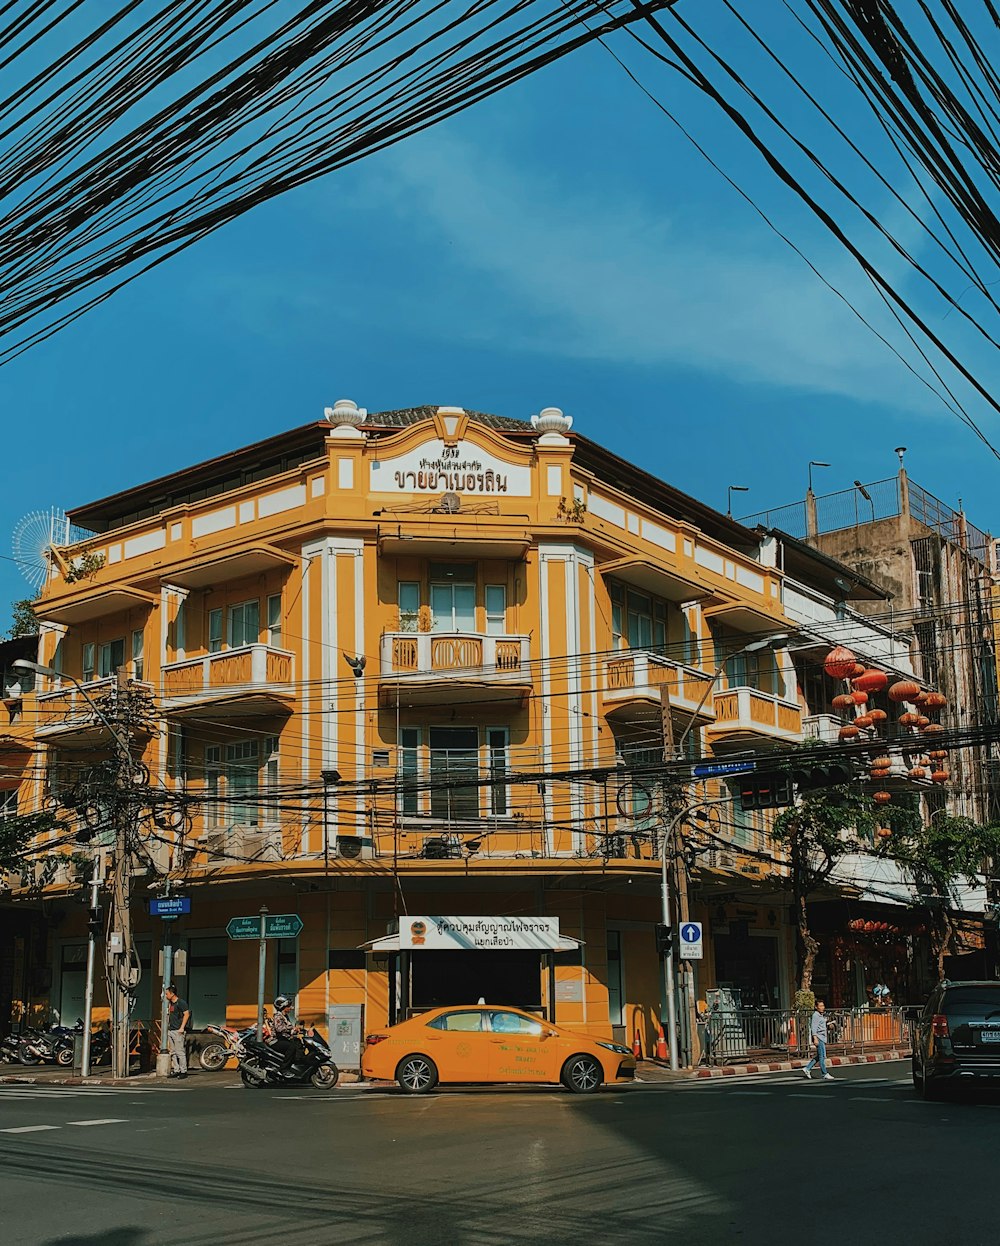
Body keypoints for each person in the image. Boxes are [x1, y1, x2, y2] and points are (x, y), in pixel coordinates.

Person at [269, 995, 305, 1069]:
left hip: (283, 1039)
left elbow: (288, 1030)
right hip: (275, 1040)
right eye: (288, 1006)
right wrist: (293, 1028)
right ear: (283, 1007)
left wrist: (297, 1031)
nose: (290, 1008)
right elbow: (279, 1029)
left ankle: (296, 1066)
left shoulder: (285, 1016)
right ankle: (284, 1068)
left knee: (298, 1043)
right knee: (291, 1047)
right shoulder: (278, 1016)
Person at [802, 999, 834, 1081]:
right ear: (816, 1007)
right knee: (822, 1057)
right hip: (819, 1038)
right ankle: (824, 1073)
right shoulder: (815, 1015)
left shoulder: (821, 1015)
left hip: (823, 1037)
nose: (822, 1007)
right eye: (820, 1006)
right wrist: (815, 1038)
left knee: (820, 1056)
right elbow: (814, 1028)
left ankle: (807, 1068)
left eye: (823, 1006)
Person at [164, 984, 190, 1079]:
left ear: (172, 994)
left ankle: (183, 1071)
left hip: (178, 1030)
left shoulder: (181, 1003)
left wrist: (182, 1028)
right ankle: (176, 1069)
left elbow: (186, 1014)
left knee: (180, 1051)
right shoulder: (171, 1004)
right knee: (173, 1052)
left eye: (167, 994)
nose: (166, 996)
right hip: (171, 1029)